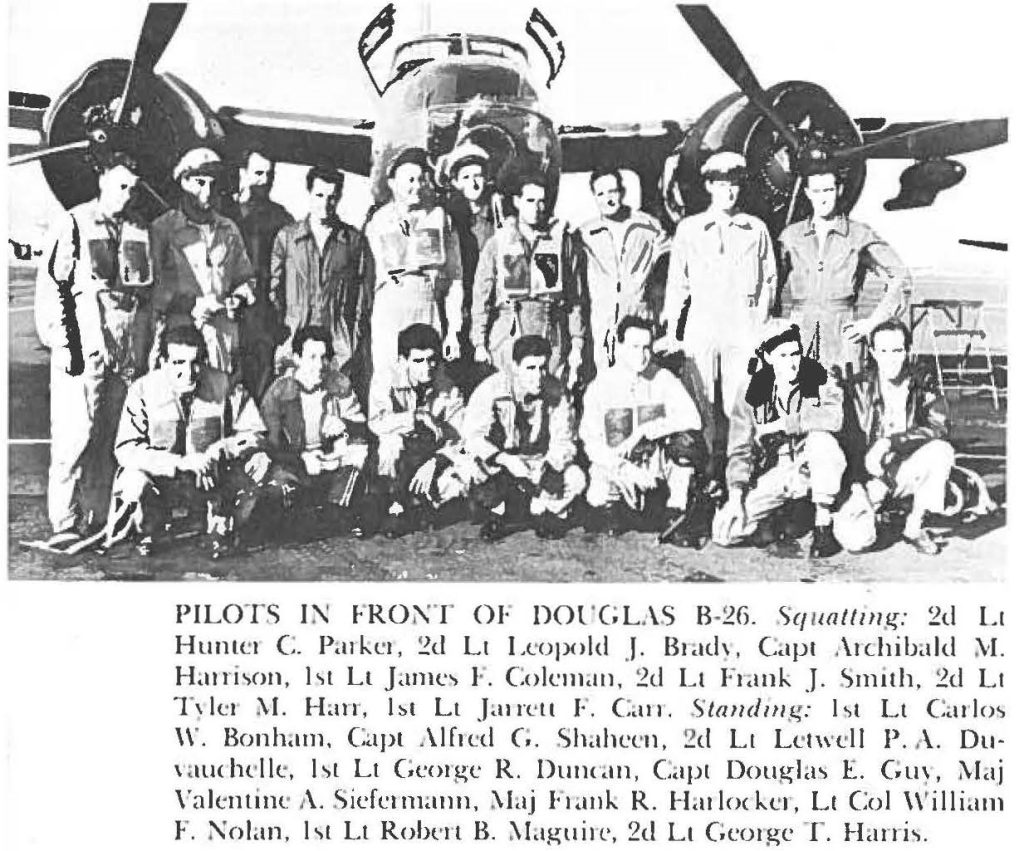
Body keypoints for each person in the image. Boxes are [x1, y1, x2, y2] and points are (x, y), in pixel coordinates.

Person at [34, 151, 153, 547]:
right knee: (74, 437)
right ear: (101, 179)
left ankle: (100, 518)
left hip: (125, 351)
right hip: (84, 348)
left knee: (111, 439)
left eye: (133, 189)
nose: (126, 195)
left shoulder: (139, 229)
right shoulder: (73, 223)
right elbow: (52, 289)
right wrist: (63, 343)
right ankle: (65, 522)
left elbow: (144, 297)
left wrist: (143, 347)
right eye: (120, 186)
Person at [106, 324, 273, 558]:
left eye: (195, 362)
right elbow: (126, 450)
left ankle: (226, 525)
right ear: (163, 362)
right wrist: (179, 463)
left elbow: (255, 433)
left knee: (259, 463)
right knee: (131, 480)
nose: (188, 371)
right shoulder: (142, 390)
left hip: (210, 481)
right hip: (162, 483)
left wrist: (220, 450)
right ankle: (142, 534)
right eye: (178, 363)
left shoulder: (224, 385)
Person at [658, 152, 776, 468]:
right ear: (709, 186)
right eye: (722, 184)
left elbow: (768, 281)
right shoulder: (690, 229)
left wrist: (759, 326)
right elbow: (677, 286)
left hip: (742, 325)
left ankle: (743, 467)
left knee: (742, 398)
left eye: (735, 184)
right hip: (702, 325)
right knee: (702, 400)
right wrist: (674, 333)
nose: (729, 192)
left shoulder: (756, 229)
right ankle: (705, 470)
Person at [713, 322, 846, 558]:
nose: (792, 362)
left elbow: (834, 418)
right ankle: (786, 512)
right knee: (725, 532)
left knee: (822, 442)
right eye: (783, 355)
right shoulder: (750, 390)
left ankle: (822, 520)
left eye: (795, 353)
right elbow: (739, 449)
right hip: (777, 468)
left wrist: (790, 424)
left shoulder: (818, 378)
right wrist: (735, 496)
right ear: (767, 357)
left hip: (810, 463)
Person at [580, 317, 707, 543]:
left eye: (647, 347)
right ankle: (616, 510)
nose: (641, 354)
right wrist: (623, 468)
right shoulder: (601, 386)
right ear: (618, 347)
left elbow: (694, 420)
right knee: (600, 498)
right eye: (634, 347)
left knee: (685, 444)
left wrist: (649, 429)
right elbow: (591, 443)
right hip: (619, 469)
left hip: (652, 465)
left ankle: (674, 512)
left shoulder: (662, 378)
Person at [777, 164, 911, 377]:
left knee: (845, 399)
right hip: (800, 331)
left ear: (839, 190)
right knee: (797, 401)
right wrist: (776, 325)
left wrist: (872, 322)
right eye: (817, 191)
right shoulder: (790, 237)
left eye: (828, 190)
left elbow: (900, 277)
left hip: (842, 334)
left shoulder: (859, 235)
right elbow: (770, 282)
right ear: (807, 193)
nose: (823, 198)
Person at [834, 320, 953, 555]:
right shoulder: (857, 389)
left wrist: (891, 442)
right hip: (868, 478)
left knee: (941, 451)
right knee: (855, 542)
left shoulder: (922, 384)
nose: (890, 358)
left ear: (908, 351)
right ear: (873, 352)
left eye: (897, 350)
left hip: (904, 470)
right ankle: (877, 513)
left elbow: (939, 426)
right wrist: (858, 487)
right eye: (883, 351)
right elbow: (847, 444)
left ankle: (914, 526)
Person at [461, 335, 586, 540]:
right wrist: (506, 460)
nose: (538, 375)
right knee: (469, 468)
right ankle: (499, 512)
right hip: (501, 464)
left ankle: (540, 510)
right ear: (515, 367)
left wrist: (550, 467)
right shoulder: (490, 389)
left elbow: (565, 440)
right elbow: (473, 438)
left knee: (576, 479)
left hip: (537, 463)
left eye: (543, 367)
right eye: (530, 368)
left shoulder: (557, 391)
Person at [150, 147, 256, 376]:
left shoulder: (229, 230)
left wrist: (237, 298)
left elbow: (245, 278)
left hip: (220, 337)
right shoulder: (163, 229)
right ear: (183, 181)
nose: (207, 192)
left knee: (218, 400)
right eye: (199, 182)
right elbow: (152, 290)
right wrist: (190, 305)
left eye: (213, 184)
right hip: (180, 335)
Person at [471, 171, 586, 384]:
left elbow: (575, 297)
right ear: (517, 201)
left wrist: (577, 342)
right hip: (508, 328)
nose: (537, 207)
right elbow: (481, 296)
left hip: (550, 327)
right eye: (530, 200)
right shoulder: (498, 242)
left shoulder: (562, 241)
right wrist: (479, 342)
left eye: (542, 201)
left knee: (551, 390)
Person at [363, 147, 464, 377]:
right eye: (410, 179)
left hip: (427, 306)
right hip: (390, 310)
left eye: (421, 179)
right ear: (392, 182)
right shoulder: (378, 222)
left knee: (429, 375)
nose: (416, 185)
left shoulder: (439, 218)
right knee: (389, 376)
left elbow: (455, 279)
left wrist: (453, 331)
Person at [260, 325, 369, 534]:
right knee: (280, 489)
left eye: (323, 357)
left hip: (330, 460)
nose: (319, 365)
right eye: (311, 357)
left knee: (358, 453)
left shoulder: (339, 384)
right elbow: (270, 442)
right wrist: (301, 458)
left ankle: (336, 508)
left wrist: (344, 425)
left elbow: (359, 428)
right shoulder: (279, 391)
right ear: (297, 358)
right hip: (295, 463)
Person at [367, 323, 469, 536]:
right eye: (418, 360)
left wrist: (435, 461)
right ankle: (394, 504)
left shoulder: (448, 388)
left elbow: (459, 437)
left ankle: (418, 503)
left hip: (431, 453)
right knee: (390, 444)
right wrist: (415, 418)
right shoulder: (385, 379)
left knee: (461, 475)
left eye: (432, 359)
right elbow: (377, 422)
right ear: (403, 361)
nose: (427, 367)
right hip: (401, 452)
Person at [270, 165, 367, 387]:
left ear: (339, 197)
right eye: (319, 195)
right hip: (295, 331)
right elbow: (274, 288)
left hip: (337, 336)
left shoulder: (352, 240)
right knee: (291, 396)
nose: (324, 204)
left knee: (336, 399)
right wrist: (281, 328)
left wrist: (353, 333)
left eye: (332, 197)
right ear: (309, 193)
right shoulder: (288, 237)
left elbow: (362, 293)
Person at [576, 167, 669, 370]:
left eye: (612, 192)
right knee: (608, 378)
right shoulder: (584, 234)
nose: (608, 199)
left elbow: (667, 274)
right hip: (603, 321)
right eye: (601, 193)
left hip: (640, 317)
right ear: (594, 196)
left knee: (644, 375)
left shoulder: (649, 226)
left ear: (622, 192)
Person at [224, 146, 293, 400]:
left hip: (261, 311)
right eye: (258, 173)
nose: (264, 181)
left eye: (269, 175)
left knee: (261, 378)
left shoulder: (280, 218)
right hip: (225, 307)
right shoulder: (223, 212)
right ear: (243, 172)